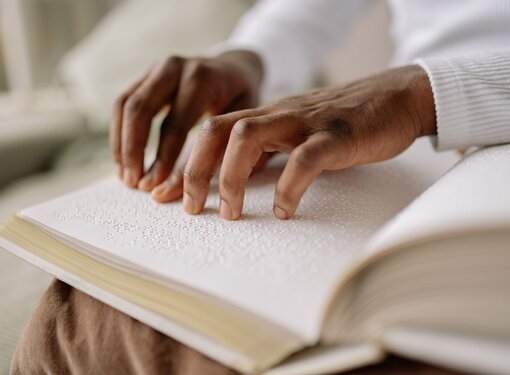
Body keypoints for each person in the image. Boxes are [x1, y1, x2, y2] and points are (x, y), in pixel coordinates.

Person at [12, 1, 510, 374]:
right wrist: (250, 56)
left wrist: (426, 94)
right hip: (413, 145)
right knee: (75, 322)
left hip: (447, 121)